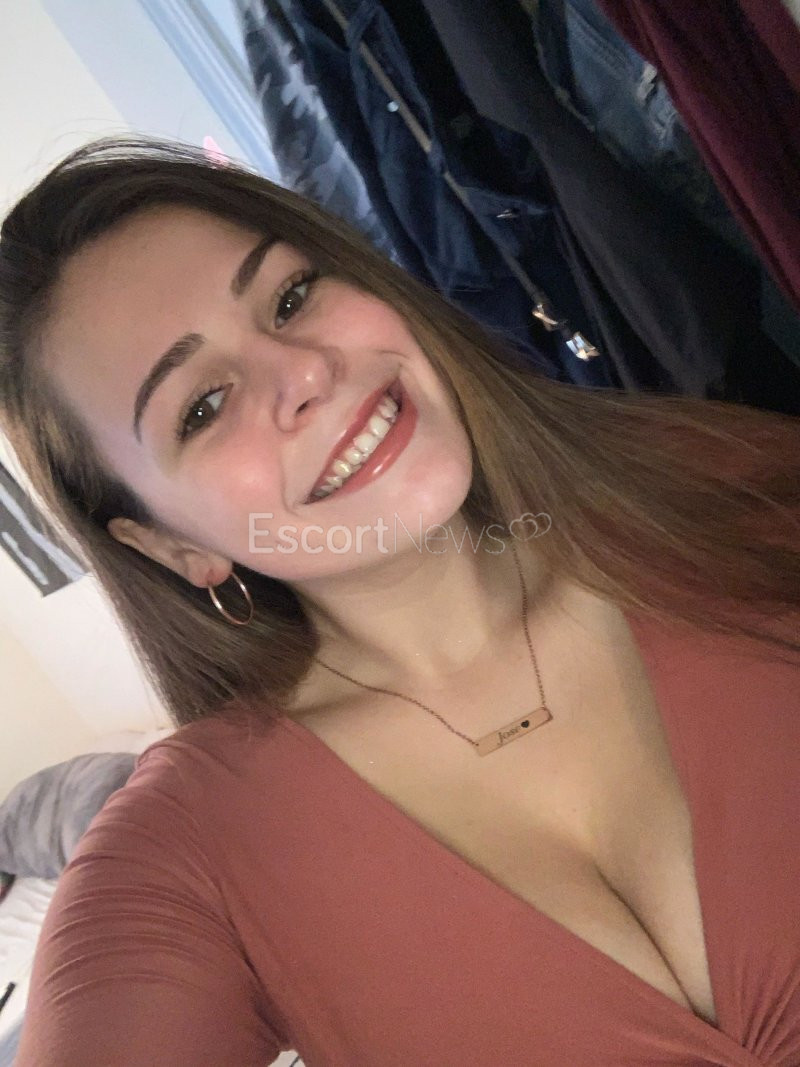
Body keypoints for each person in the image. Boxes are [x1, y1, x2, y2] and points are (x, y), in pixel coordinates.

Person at [1, 135, 798, 1066]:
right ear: (171, 544)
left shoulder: (713, 485)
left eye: (291, 297)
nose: (306, 372)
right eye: (203, 406)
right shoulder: (187, 851)